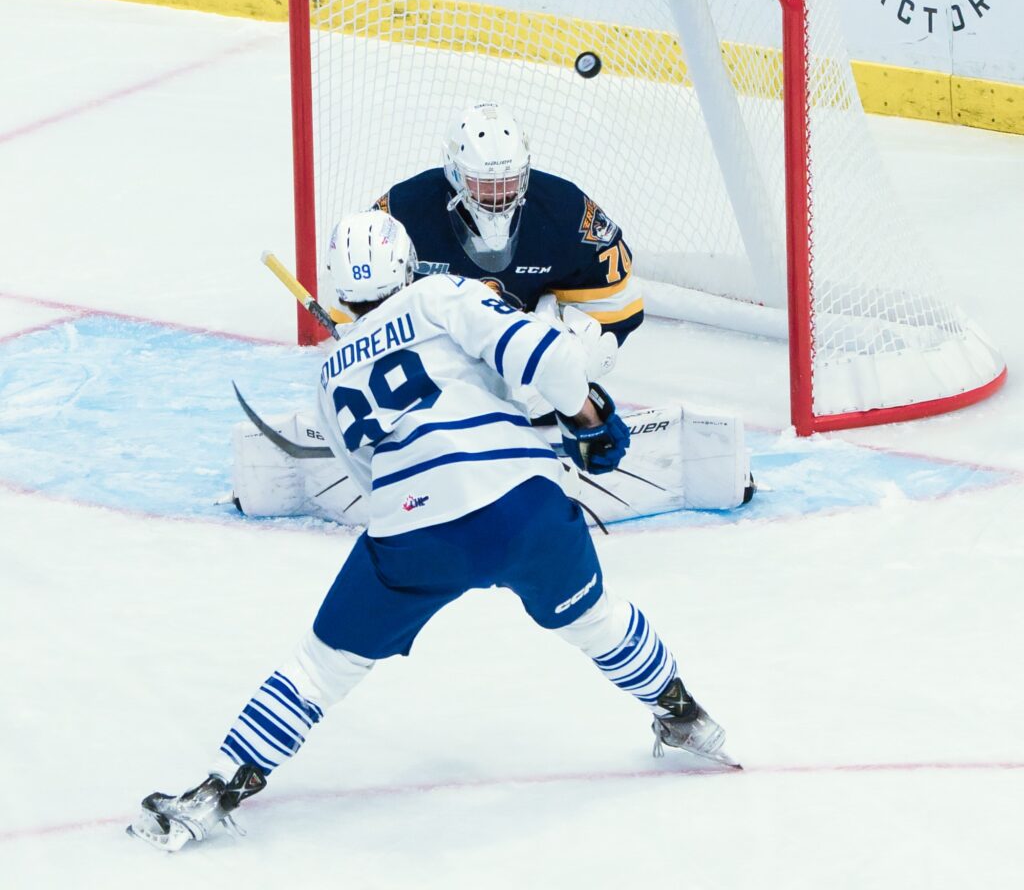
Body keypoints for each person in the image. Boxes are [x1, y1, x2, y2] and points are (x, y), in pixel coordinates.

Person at [129, 212, 737, 852]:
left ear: (340, 289)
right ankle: (684, 715)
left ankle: (216, 790)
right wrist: (586, 418)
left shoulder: (328, 377)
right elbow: (550, 357)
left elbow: (368, 482)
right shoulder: (439, 295)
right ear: (408, 262)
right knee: (595, 619)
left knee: (320, 667)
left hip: (414, 531)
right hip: (523, 509)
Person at [330, 102, 644, 348]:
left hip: (531, 364)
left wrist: (575, 353)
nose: (498, 195)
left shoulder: (566, 209)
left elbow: (617, 302)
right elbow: (361, 301)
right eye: (483, 183)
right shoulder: (403, 211)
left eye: (508, 181)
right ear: (454, 172)